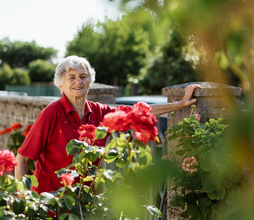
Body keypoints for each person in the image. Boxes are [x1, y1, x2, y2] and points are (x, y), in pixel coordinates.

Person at [15, 55, 200, 194]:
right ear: (60, 85)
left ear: (90, 81)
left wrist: (179, 104)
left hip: (84, 203)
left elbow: (137, 112)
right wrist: (22, 199)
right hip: (52, 203)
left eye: (83, 76)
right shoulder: (51, 114)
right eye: (71, 77)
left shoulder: (98, 112)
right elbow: (22, 158)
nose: (78, 81)